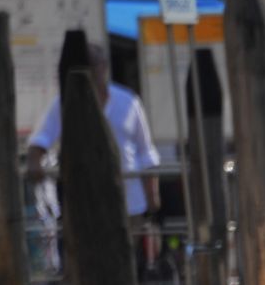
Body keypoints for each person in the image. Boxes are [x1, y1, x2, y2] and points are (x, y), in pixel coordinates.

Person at [25, 42, 162, 221]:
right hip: (85, 201)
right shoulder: (63, 104)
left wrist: (152, 195)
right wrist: (34, 162)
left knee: (126, 247)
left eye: (93, 64)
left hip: (129, 201)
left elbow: (146, 152)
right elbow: (41, 138)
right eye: (84, 65)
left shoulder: (129, 102)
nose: (89, 71)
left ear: (104, 66)